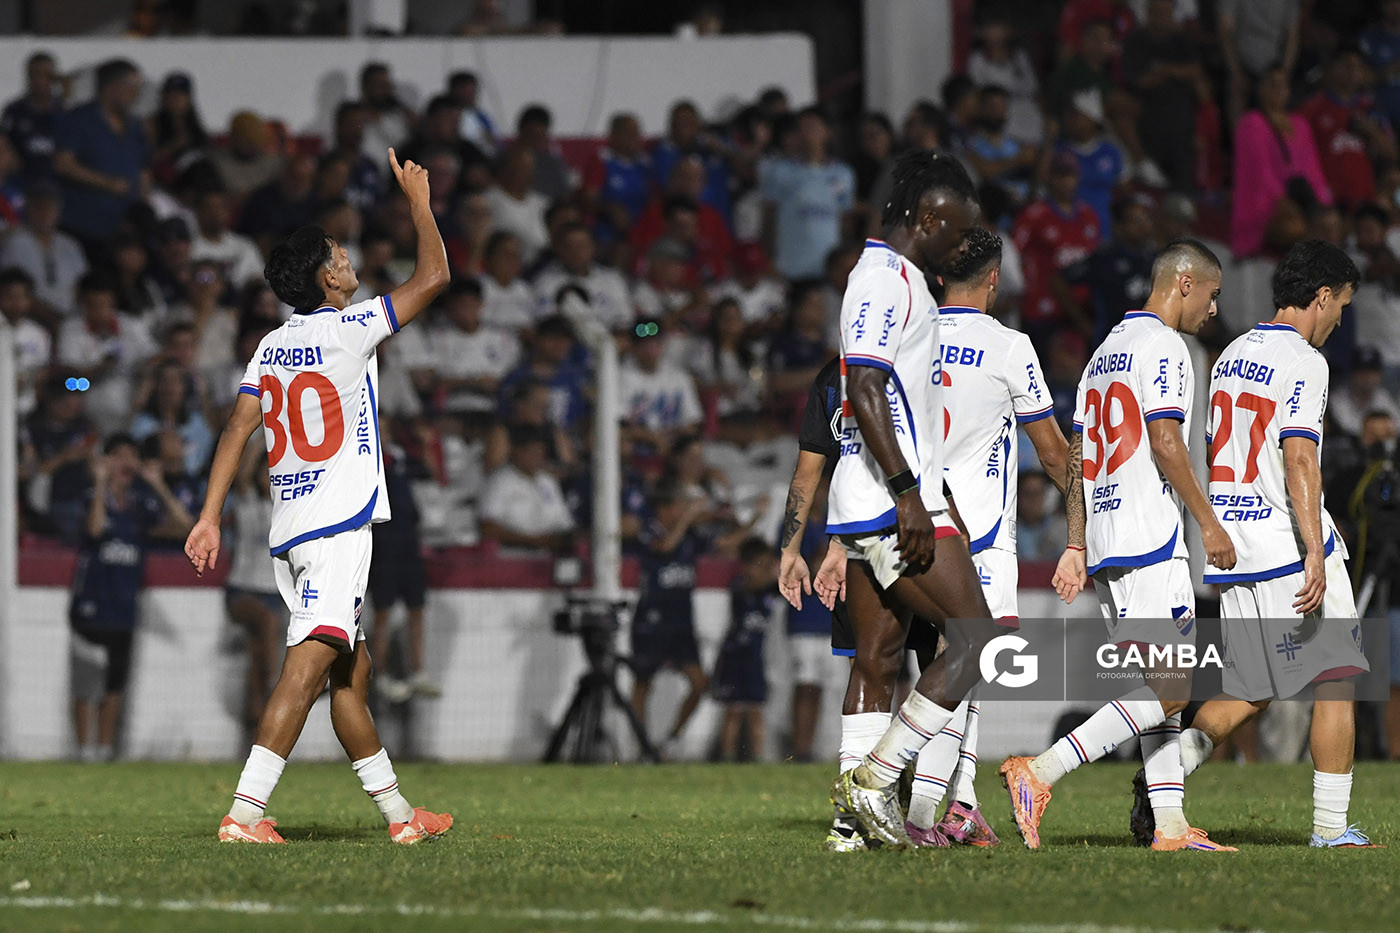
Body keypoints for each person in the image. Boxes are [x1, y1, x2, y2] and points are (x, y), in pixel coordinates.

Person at [183, 148, 452, 844]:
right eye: (341, 251)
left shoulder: (270, 346)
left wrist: (209, 515)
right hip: (337, 528)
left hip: (294, 529)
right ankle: (244, 813)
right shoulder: (351, 326)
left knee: (349, 676)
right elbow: (435, 277)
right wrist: (420, 201)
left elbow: (238, 429)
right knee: (305, 669)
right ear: (329, 275)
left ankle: (401, 818)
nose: (351, 257)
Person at [1001, 239, 1237, 852]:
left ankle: (1172, 826)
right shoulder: (1166, 346)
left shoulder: (1102, 353)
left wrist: (1077, 543)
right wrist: (1207, 521)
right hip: (1149, 536)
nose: (1213, 311)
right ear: (1185, 284)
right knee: (1173, 688)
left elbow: (1079, 458)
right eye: (1212, 295)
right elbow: (1164, 441)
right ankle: (1040, 770)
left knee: (1165, 688)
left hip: (1108, 540)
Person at [1164, 240, 1376, 848]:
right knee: (1336, 675)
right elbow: (1300, 455)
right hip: (1286, 541)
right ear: (1322, 297)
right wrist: (1315, 548)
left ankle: (1162, 786)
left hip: (1235, 542)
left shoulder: (1231, 352)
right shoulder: (1306, 360)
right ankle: (1331, 830)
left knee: (1253, 686)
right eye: (1341, 306)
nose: (1339, 319)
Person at [821, 150, 998, 850]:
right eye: (957, 231)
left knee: (880, 654)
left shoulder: (900, 279)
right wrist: (909, 495)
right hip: (887, 497)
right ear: (926, 218)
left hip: (882, 494)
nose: (962, 245)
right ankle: (873, 780)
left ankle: (849, 831)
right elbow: (864, 386)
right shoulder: (880, 278)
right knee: (979, 640)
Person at [910, 227, 1070, 843]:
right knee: (965, 665)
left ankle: (961, 796)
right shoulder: (1008, 346)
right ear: (995, 279)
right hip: (976, 538)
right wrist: (1084, 520)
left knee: (945, 666)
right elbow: (1051, 451)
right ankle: (926, 805)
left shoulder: (909, 340)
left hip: (909, 527)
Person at [70, 433, 193, 762]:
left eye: (132, 456)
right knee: (86, 682)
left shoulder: (141, 506)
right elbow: (95, 529)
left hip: (124, 608)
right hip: (89, 606)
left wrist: (158, 486)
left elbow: (185, 527)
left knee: (114, 683)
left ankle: (105, 750)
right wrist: (99, 484)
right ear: (106, 461)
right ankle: (84, 751)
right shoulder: (90, 497)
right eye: (119, 455)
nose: (127, 462)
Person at [630, 485, 751, 757]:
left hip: (681, 622)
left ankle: (671, 739)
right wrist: (689, 517)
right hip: (651, 621)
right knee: (643, 683)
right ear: (663, 509)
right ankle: (641, 747)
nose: (684, 511)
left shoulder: (690, 536)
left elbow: (725, 545)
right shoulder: (648, 531)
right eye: (679, 506)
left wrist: (756, 519)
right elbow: (664, 548)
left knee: (699, 684)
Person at [1231, 66, 1333, 259]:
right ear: (1259, 89)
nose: (1278, 89)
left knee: (1331, 222)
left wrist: (1323, 205)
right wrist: (1282, 201)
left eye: (1282, 85)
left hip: (1302, 200)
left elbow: (1314, 170)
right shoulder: (1251, 122)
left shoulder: (1300, 124)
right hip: (1266, 204)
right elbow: (1259, 172)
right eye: (1272, 84)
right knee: (1295, 227)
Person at [368, 428, 438, 703]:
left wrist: (427, 446)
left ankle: (417, 671)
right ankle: (380, 674)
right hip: (383, 547)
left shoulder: (400, 459)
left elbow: (431, 475)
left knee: (416, 608)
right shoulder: (362, 460)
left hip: (409, 543)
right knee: (383, 612)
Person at [52, 58, 147, 252]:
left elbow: (143, 168)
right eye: (131, 89)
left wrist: (143, 205)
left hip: (124, 229)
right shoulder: (78, 120)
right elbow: (63, 163)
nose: (135, 96)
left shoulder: (135, 126)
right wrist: (107, 183)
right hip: (84, 226)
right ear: (111, 88)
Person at [222, 441, 283, 737]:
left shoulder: (287, 509)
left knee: (257, 658)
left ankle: (255, 729)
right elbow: (242, 476)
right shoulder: (247, 504)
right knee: (268, 622)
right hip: (242, 590)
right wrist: (260, 436)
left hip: (273, 593)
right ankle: (276, 681)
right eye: (265, 472)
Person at [1012, 151, 1101, 343]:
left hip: (1080, 309)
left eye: (1070, 175)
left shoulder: (1088, 216)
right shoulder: (1033, 216)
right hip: (1041, 308)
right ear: (1050, 178)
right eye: (1060, 175)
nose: (1065, 182)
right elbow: (1013, 255)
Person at [758, 107, 854, 281]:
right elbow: (768, 217)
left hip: (828, 268)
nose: (805, 134)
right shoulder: (780, 171)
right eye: (800, 128)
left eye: (811, 127)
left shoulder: (843, 174)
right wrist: (768, 258)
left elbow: (845, 221)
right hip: (789, 267)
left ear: (827, 132)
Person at [1121, 0, 1207, 193]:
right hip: (1149, 128)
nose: (1162, 18)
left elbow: (1196, 70)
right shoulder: (1135, 41)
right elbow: (1141, 80)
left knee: (1183, 192)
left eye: (1166, 13)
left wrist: (1166, 69)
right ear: (1148, 14)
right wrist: (1177, 72)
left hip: (1182, 130)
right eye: (1157, 13)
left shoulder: (1181, 41)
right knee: (1151, 191)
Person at [1298, 48, 1396, 210]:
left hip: (1363, 199)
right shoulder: (1312, 108)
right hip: (1326, 201)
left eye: (1358, 68)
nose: (1353, 72)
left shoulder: (1372, 109)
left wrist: (1371, 129)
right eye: (1347, 66)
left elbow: (1392, 154)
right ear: (1332, 68)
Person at [713, 538, 779, 762]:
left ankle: (758, 757)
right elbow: (753, 585)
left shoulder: (770, 590)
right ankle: (727, 756)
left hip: (755, 658)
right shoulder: (740, 586)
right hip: (735, 656)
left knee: (755, 711)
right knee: (733, 710)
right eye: (761, 564)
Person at [478, 425, 576, 553]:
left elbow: (565, 524)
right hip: (513, 558)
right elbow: (488, 528)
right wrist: (534, 541)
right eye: (532, 451)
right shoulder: (500, 481)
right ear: (517, 451)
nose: (537, 457)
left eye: (541, 451)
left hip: (550, 558)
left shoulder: (548, 482)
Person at [0, 180, 87, 316]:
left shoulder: (70, 244)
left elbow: (83, 286)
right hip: (28, 317)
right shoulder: (14, 241)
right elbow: (13, 288)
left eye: (51, 207)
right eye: (39, 207)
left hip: (71, 319)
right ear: (28, 208)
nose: (45, 212)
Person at [1, 51, 61, 184]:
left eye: (46, 75)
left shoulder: (65, 111)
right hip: (22, 185)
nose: (40, 80)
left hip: (57, 188)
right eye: (35, 75)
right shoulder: (14, 111)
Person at [0, 267, 53, 416]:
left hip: (26, 408)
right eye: (9, 296)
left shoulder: (38, 334)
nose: (15, 302)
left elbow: (42, 372)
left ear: (29, 300)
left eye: (20, 297)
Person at [190, 189, 265, 290]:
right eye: (210, 208)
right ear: (198, 212)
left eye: (220, 207)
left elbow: (259, 280)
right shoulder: (190, 248)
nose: (215, 213)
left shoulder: (245, 245)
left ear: (228, 212)